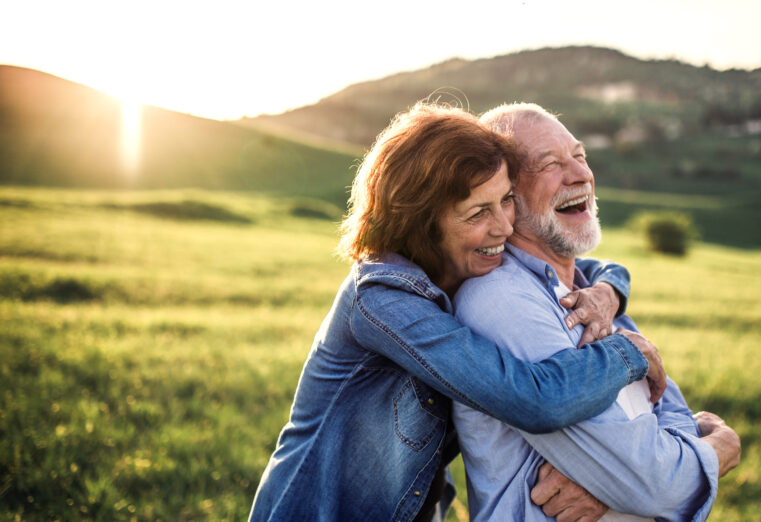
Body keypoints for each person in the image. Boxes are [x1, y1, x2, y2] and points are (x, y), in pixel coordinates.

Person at [248, 103, 666, 521]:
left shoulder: (464, 265)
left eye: (505, 200)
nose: (503, 226)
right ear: (422, 223)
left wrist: (609, 291)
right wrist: (630, 354)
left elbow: (587, 268)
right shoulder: (382, 300)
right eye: (478, 213)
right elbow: (534, 400)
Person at [452, 103, 742, 521]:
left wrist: (618, 484)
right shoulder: (500, 302)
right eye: (550, 164)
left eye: (580, 155)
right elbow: (655, 484)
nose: (580, 175)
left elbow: (670, 412)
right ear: (505, 196)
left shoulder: (596, 297)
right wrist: (722, 448)